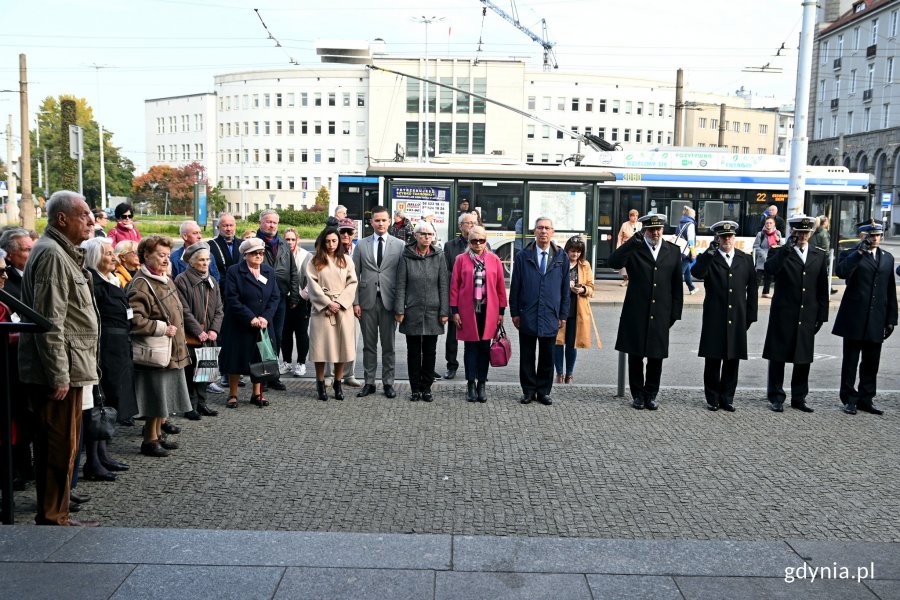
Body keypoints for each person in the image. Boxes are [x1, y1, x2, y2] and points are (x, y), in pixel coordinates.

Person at [18, 190, 100, 526]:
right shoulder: (52, 254)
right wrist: (58, 375)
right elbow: (49, 322)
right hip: (59, 369)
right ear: (62, 218)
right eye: (84, 214)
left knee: (65, 447)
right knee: (57, 447)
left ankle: (58, 512)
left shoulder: (62, 252)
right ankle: (53, 516)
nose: (91, 221)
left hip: (71, 363)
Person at [607, 213, 683, 410]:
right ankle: (638, 395)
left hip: (661, 311)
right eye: (651, 229)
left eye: (658, 229)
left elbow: (676, 286)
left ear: (663, 230)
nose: (655, 232)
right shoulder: (636, 248)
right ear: (644, 230)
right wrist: (632, 242)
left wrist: (674, 313)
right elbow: (614, 262)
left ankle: (651, 394)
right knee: (636, 355)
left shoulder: (672, 251)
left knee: (656, 356)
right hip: (637, 310)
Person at [128, 235, 192, 456]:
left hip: (170, 350)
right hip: (155, 351)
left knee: (161, 398)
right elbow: (135, 320)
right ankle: (149, 441)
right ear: (146, 256)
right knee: (155, 397)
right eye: (160, 255)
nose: (166, 260)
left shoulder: (163, 277)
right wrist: (162, 328)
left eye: (167, 255)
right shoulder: (141, 284)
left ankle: (156, 435)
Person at [762, 215, 829, 413]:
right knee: (778, 356)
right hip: (783, 313)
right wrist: (785, 250)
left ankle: (799, 397)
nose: (803, 236)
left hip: (807, 313)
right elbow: (769, 269)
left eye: (806, 232)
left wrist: (821, 316)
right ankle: (776, 396)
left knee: (803, 357)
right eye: (799, 232)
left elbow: (822, 287)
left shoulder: (818, 255)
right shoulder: (781, 251)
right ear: (793, 232)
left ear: (811, 233)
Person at [690, 221, 758, 411]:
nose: (727, 239)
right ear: (717, 238)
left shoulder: (744, 259)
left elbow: (752, 289)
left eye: (729, 236)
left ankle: (727, 397)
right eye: (723, 237)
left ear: (734, 237)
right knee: (713, 359)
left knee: (732, 359)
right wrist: (708, 253)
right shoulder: (710, 257)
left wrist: (750, 316)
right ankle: (712, 398)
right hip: (714, 316)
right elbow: (697, 272)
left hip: (737, 315)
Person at [79, 238, 132, 480]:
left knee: (110, 399)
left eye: (113, 253)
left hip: (119, 345)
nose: (113, 257)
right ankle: (93, 459)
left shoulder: (112, 280)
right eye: (108, 253)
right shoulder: (93, 283)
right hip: (104, 347)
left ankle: (103, 453)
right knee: (99, 402)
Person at [833, 219, 897, 415]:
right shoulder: (851, 254)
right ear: (862, 236)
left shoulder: (887, 258)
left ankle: (866, 398)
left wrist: (891, 319)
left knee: (871, 361)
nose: (875, 239)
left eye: (877, 235)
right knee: (850, 361)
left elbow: (890, 290)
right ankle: (849, 398)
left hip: (876, 317)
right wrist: (859, 252)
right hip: (854, 317)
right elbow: (841, 272)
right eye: (871, 236)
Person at [509, 217, 570, 406]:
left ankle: (543, 391)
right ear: (534, 231)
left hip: (551, 314)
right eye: (540, 228)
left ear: (553, 232)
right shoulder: (522, 256)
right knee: (527, 355)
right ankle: (528, 391)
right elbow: (515, 286)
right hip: (527, 312)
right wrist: (514, 313)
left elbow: (565, 289)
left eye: (547, 228)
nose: (543, 231)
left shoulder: (561, 256)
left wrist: (563, 315)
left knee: (547, 354)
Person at [218, 237, 281, 408]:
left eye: (261, 253)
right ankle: (233, 395)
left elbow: (275, 297)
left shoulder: (268, 271)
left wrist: (265, 317)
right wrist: (250, 317)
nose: (259, 256)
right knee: (235, 359)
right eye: (254, 253)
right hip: (240, 324)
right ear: (245, 255)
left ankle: (257, 394)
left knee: (260, 359)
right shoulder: (234, 271)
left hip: (262, 325)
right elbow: (232, 297)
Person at [450, 226, 506, 402]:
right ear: (469, 241)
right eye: (474, 241)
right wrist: (454, 311)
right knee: (470, 349)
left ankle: (482, 383)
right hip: (468, 311)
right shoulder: (461, 259)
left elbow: (500, 287)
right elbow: (454, 286)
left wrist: (501, 311)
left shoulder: (494, 259)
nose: (478, 244)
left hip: (488, 311)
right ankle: (470, 384)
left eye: (482, 240)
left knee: (484, 348)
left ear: (486, 240)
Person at [353, 206, 404, 398]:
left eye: (384, 220)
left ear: (389, 221)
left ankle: (388, 383)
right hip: (367, 302)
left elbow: (402, 278)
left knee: (389, 345)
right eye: (377, 220)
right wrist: (355, 302)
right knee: (368, 345)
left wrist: (401, 305)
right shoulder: (362, 245)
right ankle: (369, 382)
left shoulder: (399, 245)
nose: (380, 223)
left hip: (389, 302)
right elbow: (354, 276)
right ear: (371, 222)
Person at [395, 222, 449, 402]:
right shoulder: (406, 255)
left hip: (434, 311)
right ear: (416, 236)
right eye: (423, 234)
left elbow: (443, 284)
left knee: (430, 351)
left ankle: (427, 388)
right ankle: (414, 388)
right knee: (413, 351)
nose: (426, 237)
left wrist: (444, 310)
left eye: (429, 234)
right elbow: (401, 284)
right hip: (412, 310)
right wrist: (399, 309)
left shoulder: (439, 255)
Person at [174, 242, 224, 420]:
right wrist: (198, 331)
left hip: (209, 335)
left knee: (205, 372)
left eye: (207, 260)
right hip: (191, 337)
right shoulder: (181, 279)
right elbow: (183, 310)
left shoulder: (212, 280)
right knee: (190, 374)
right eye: (201, 260)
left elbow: (219, 308)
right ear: (192, 262)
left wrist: (214, 330)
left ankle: (202, 403)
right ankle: (190, 406)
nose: (205, 263)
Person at [307, 228, 358, 401]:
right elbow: (312, 285)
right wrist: (327, 303)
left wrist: (340, 302)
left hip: (342, 309)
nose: (331, 244)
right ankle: (320, 383)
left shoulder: (347, 260)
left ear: (339, 242)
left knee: (341, 347)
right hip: (323, 310)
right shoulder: (315, 261)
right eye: (327, 241)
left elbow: (353, 283)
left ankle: (338, 382)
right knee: (320, 348)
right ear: (323, 242)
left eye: (334, 241)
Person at [256, 210, 299, 389]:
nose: (271, 225)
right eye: (268, 222)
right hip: (259, 298)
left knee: (277, 336)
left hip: (280, 297)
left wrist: (294, 295)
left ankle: (273, 375)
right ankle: (262, 375)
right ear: (260, 223)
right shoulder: (254, 243)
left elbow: (293, 271)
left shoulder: (283, 244)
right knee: (262, 337)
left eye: (274, 222)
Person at [442, 212, 484, 379]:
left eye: (474, 222)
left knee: (479, 334)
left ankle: (478, 368)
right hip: (458, 296)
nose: (471, 226)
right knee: (453, 334)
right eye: (468, 223)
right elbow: (446, 271)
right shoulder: (450, 246)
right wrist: (463, 277)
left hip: (479, 298)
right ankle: (452, 365)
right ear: (460, 227)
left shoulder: (482, 245)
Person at [323, 219, 362, 387]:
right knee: (329, 339)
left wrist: (354, 302)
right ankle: (328, 375)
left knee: (350, 339)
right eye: (343, 231)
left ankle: (349, 374)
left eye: (349, 231)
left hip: (352, 302)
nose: (346, 234)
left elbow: (357, 280)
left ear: (354, 234)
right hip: (329, 303)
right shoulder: (327, 251)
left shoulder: (359, 249)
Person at [554, 236, 596, 384]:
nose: (575, 255)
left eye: (578, 252)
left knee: (572, 343)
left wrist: (583, 289)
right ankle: (559, 373)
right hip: (560, 308)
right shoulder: (559, 262)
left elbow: (591, 288)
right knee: (558, 342)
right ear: (567, 250)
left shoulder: (585, 265)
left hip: (577, 308)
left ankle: (569, 374)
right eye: (572, 251)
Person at [282, 227, 312, 378]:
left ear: (297, 240)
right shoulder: (279, 255)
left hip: (301, 300)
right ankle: (286, 362)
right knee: (285, 333)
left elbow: (312, 279)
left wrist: (302, 296)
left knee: (301, 333)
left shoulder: (306, 256)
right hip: (284, 300)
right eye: (287, 239)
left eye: (293, 239)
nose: (290, 242)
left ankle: (301, 363)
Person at [0, 226, 34, 299]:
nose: (35, 253)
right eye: (28, 250)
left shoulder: (38, 272)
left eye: (35, 248)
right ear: (9, 254)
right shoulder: (3, 284)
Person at [752, 217, 782, 298]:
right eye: (767, 223)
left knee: (769, 277)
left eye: (770, 223)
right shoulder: (760, 234)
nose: (769, 224)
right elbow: (756, 246)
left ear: (774, 224)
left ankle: (765, 292)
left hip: (772, 258)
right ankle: (753, 293)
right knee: (758, 277)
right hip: (762, 258)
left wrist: (778, 240)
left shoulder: (777, 233)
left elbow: (781, 246)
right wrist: (763, 254)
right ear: (765, 224)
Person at [209, 213, 242, 279]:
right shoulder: (210, 246)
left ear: (235, 226)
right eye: (225, 226)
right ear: (218, 227)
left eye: (231, 225)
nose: (229, 229)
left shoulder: (243, 244)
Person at [615, 209, 642, 286]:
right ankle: (625, 280)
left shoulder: (640, 225)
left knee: (635, 263)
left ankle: (633, 280)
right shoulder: (625, 224)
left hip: (637, 247)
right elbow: (620, 236)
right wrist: (619, 246)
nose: (635, 217)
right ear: (630, 216)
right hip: (625, 245)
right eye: (633, 216)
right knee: (625, 263)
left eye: (636, 216)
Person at [675, 206, 697, 295]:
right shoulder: (690, 224)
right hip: (686, 251)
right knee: (680, 273)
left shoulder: (680, 223)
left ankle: (691, 288)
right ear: (691, 215)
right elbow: (691, 239)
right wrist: (693, 251)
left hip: (680, 250)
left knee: (687, 270)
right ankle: (674, 289)